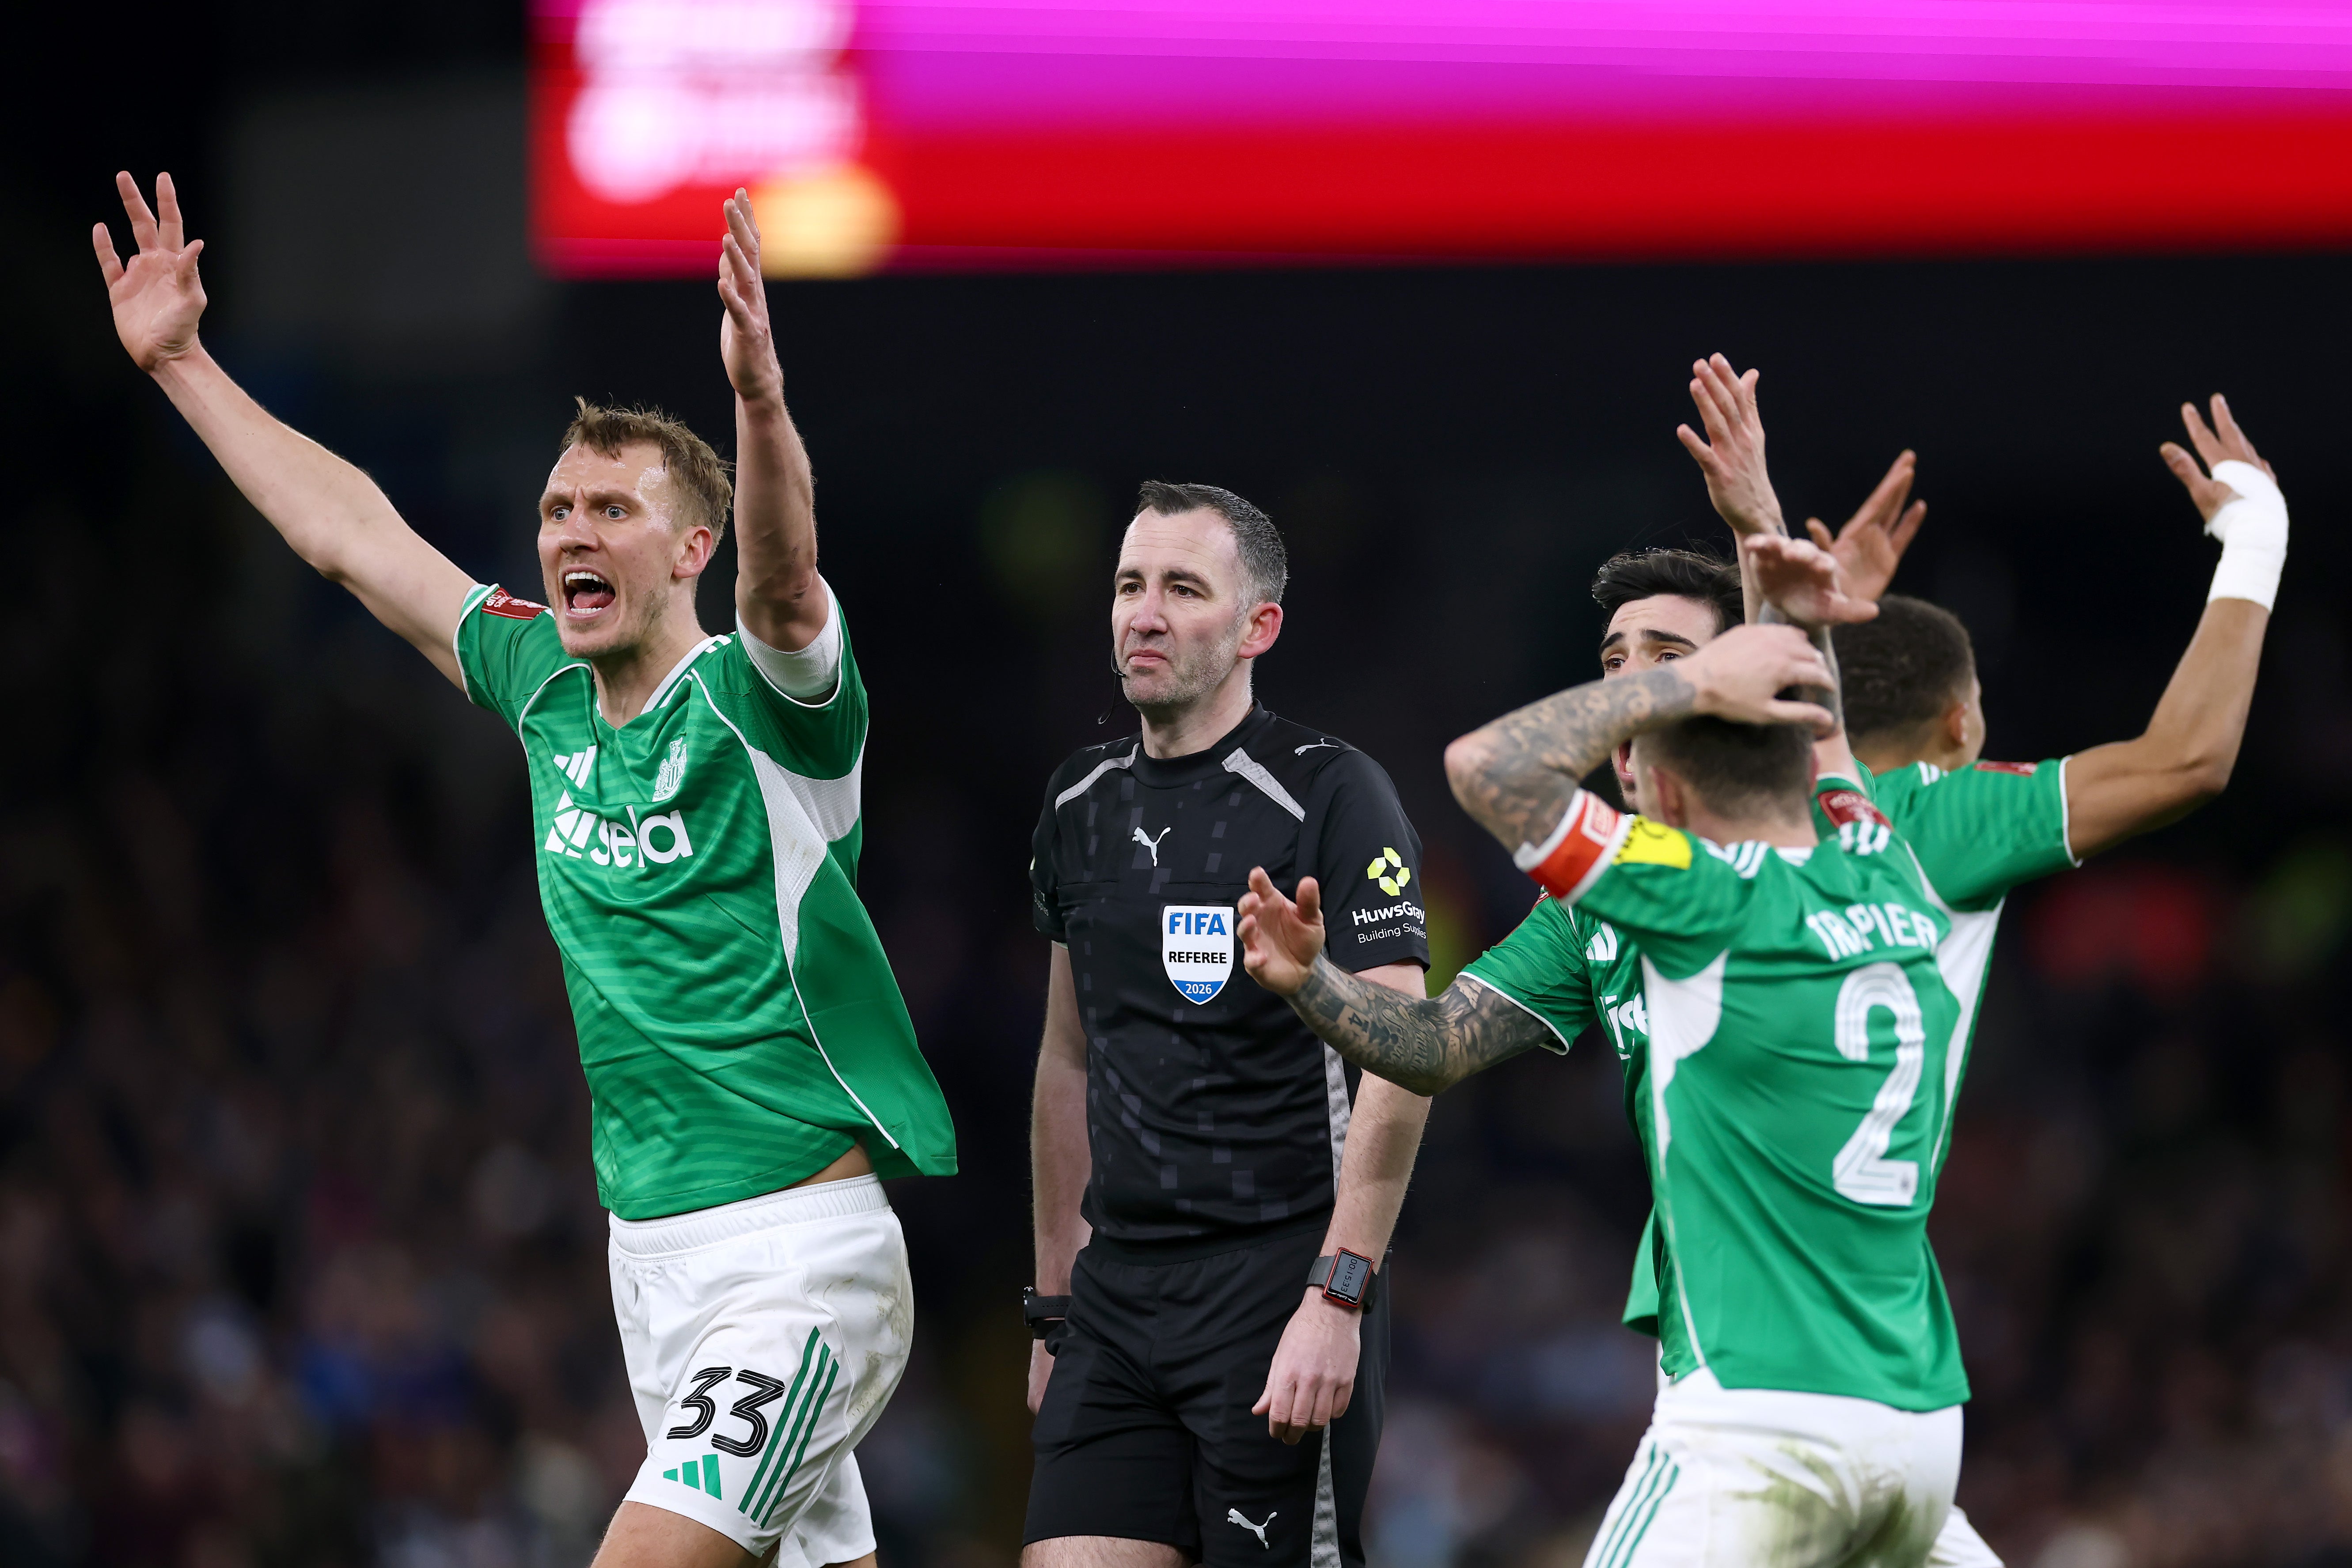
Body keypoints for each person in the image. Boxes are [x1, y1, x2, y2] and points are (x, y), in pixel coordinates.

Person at [95, 174, 954, 1568]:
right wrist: (184, 362)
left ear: (689, 549)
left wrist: (758, 402)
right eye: (557, 508)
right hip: (652, 1268)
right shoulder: (545, 685)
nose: (567, 532)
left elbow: (788, 584)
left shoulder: (770, 706)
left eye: (610, 508)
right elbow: (355, 540)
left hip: (799, 1260)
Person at [1242, 535, 1990, 1564]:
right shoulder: (1852, 861)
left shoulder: (1702, 877)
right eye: (1612, 663)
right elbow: (1431, 1045)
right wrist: (1313, 983)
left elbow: (1493, 769)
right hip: (1896, 1407)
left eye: (1669, 658)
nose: (1634, 684)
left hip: (1752, 1400)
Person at [1024, 482, 1432, 1568]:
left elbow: (1402, 1058)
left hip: (1277, 1284)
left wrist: (1337, 1295)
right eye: (1128, 584)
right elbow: (1068, 1059)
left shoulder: (1334, 794)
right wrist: (1053, 1305)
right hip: (1115, 1298)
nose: (1141, 613)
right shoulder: (1076, 801)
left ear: (1259, 627)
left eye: (1181, 588)